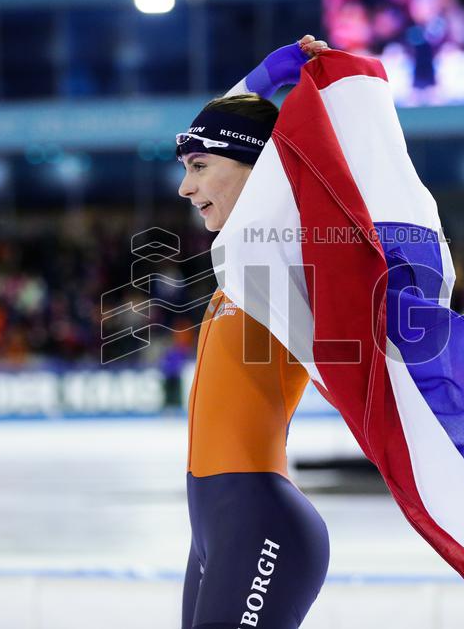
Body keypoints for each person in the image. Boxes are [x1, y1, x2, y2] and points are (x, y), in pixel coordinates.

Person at [175, 35, 330, 629]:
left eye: (199, 168)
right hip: (218, 525)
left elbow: (257, 147)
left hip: (259, 526)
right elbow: (229, 126)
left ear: (260, 169)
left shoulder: (281, 250)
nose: (185, 188)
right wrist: (273, 69)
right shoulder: (242, 256)